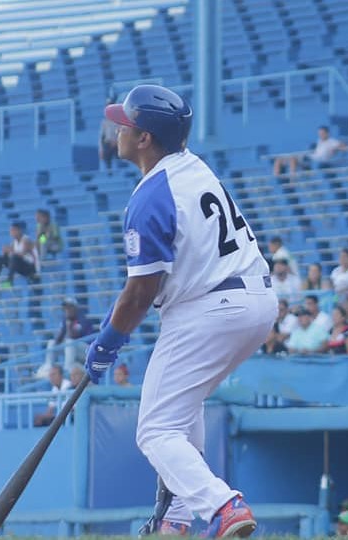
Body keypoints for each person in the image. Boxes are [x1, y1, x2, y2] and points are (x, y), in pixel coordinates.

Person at [87, 84, 276, 537]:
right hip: (256, 299)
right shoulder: (192, 167)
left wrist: (107, 343)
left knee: (153, 431)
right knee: (181, 406)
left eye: (126, 123)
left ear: (146, 138)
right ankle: (174, 518)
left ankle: (223, 505)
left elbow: (139, 292)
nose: (118, 129)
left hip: (211, 308)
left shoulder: (150, 197)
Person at [39, 297, 94, 378]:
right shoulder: (66, 319)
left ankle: (67, 368)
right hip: (75, 350)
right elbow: (58, 340)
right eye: (65, 308)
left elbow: (73, 336)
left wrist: (68, 325)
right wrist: (63, 328)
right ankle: (48, 366)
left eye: (69, 307)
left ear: (75, 308)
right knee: (52, 342)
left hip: (87, 351)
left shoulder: (82, 319)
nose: (67, 310)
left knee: (69, 342)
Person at [272, 125, 347, 177]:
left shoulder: (332, 141)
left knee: (292, 158)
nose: (320, 135)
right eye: (319, 133)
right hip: (311, 157)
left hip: (316, 160)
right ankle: (276, 179)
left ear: (327, 133)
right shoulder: (320, 141)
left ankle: (292, 180)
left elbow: (344, 147)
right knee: (278, 160)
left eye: (322, 133)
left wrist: (335, 149)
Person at [0, 221, 40, 290]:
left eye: (13, 230)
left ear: (19, 231)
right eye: (10, 231)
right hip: (21, 266)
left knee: (14, 257)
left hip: (31, 269)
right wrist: (5, 252)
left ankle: (9, 281)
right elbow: (10, 256)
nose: (11, 233)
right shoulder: (14, 242)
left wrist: (10, 250)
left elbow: (22, 255)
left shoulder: (26, 240)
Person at [100, 96, 120, 171]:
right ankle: (109, 172)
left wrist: (116, 141)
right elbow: (102, 137)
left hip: (117, 144)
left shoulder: (118, 120)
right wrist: (101, 149)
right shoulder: (104, 122)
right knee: (107, 158)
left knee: (119, 157)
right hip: (108, 144)